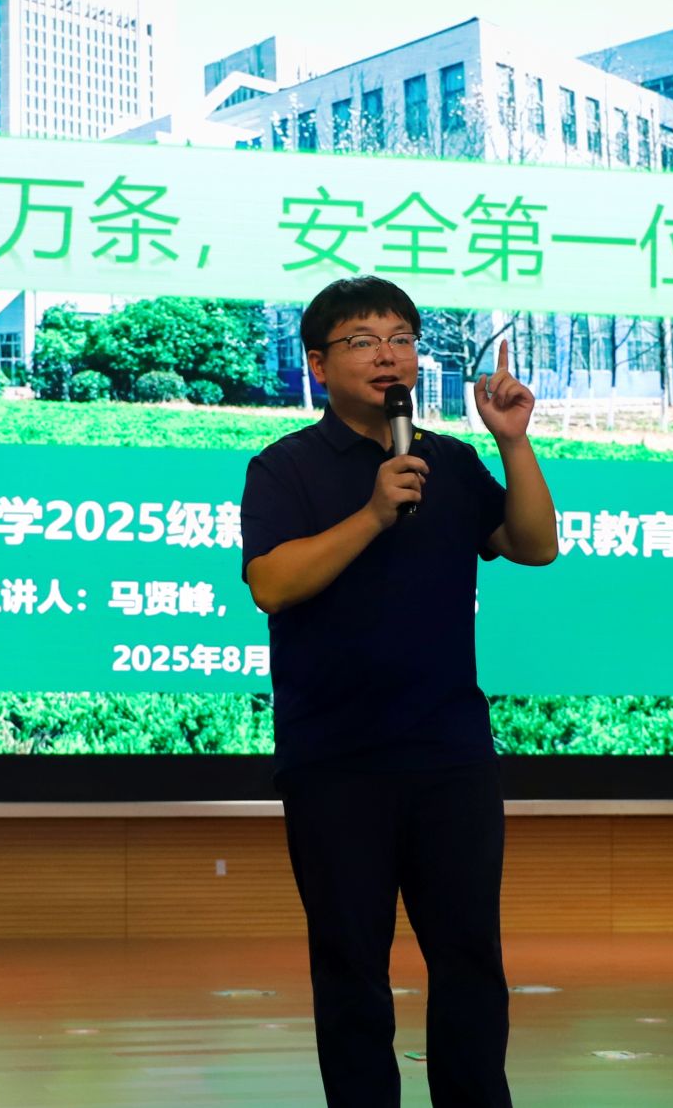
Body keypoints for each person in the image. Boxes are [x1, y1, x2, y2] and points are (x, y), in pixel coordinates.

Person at [241, 276, 559, 1108]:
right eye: (363, 340)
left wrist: (513, 443)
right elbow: (272, 582)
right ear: (318, 363)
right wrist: (374, 513)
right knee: (351, 967)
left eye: (402, 339)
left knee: (470, 960)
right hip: (335, 759)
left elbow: (535, 544)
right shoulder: (284, 468)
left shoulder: (447, 460)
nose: (388, 355)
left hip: (450, 754)